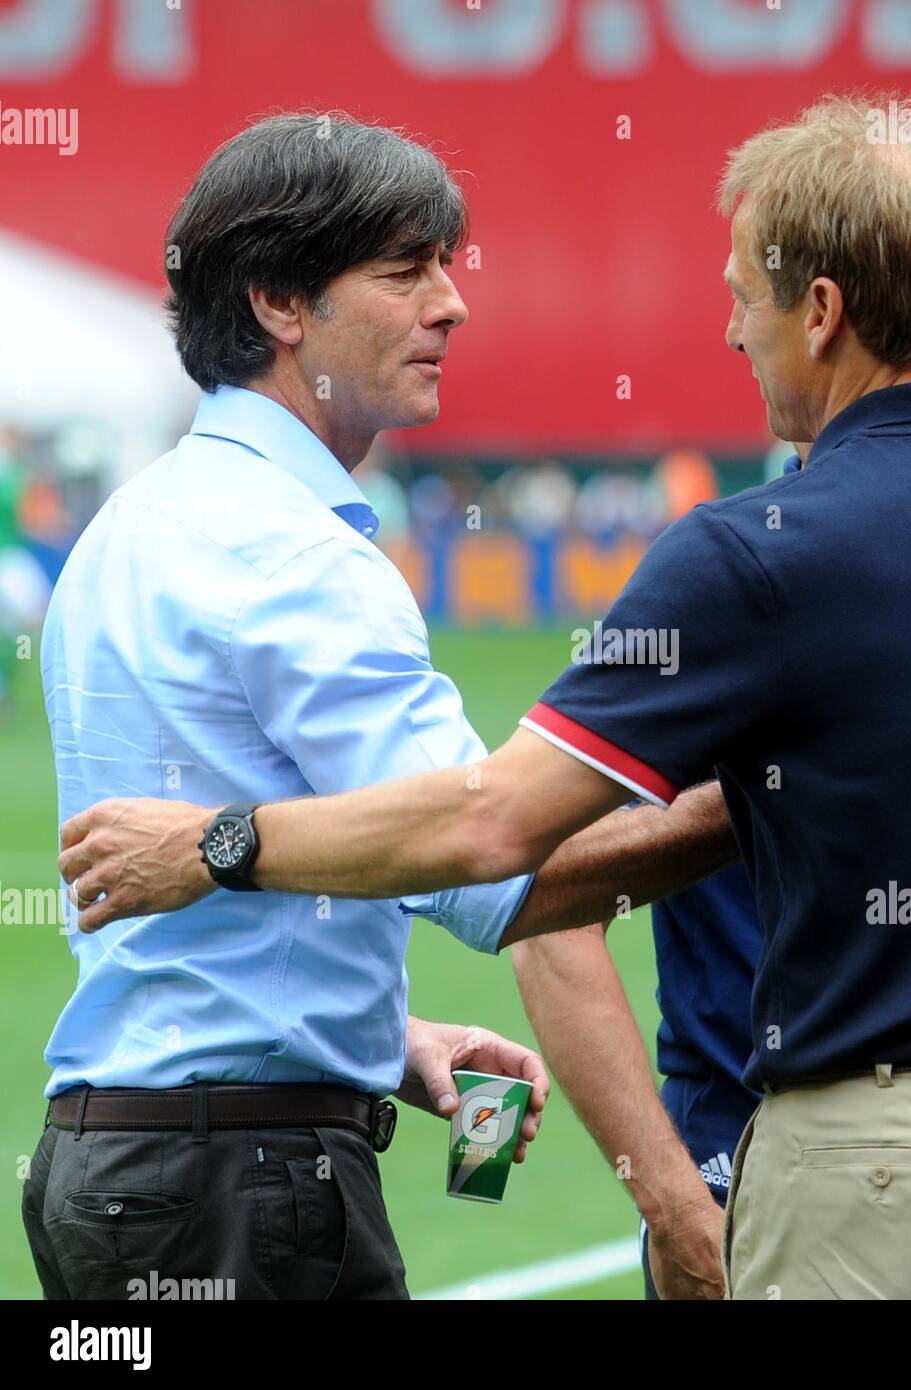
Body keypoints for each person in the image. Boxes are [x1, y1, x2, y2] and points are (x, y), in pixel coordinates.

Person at [61, 94, 911, 1300]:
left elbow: (490, 834)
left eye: (744, 298)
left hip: (874, 1173)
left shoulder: (751, 551)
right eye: (411, 271)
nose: (733, 333)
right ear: (277, 303)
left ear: (821, 313)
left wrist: (222, 847)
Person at [25, 113, 735, 1301]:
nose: (452, 303)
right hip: (238, 1179)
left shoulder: (132, 526)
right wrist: (770, 799)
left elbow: (201, 899)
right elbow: (498, 866)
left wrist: (381, 1041)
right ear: (278, 304)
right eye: (406, 272)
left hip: (117, 1160)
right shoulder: (295, 552)